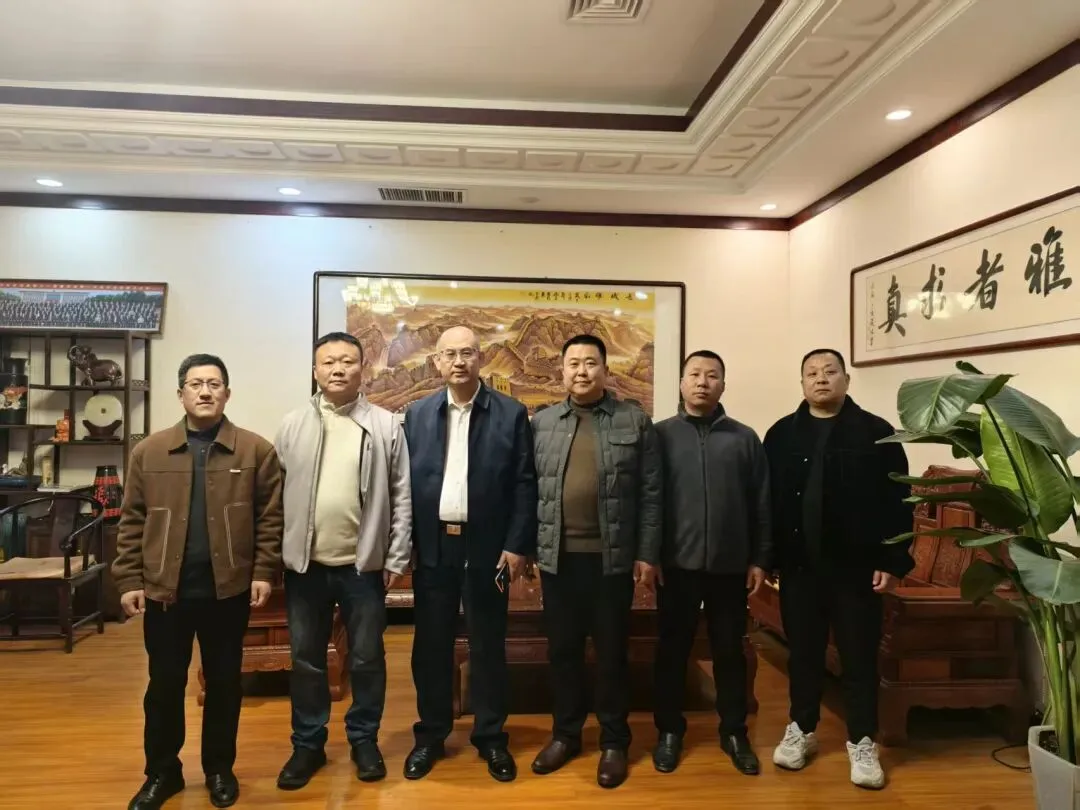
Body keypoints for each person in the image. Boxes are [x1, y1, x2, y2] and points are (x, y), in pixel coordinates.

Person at [113, 353, 283, 810]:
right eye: (195, 384)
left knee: (225, 684)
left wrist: (263, 571)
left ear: (227, 393)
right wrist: (129, 579)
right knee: (164, 686)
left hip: (227, 591)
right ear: (181, 394)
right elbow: (132, 521)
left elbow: (270, 519)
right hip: (165, 592)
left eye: (214, 383)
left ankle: (219, 769)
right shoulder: (149, 452)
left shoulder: (255, 451)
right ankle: (162, 773)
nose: (205, 391)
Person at [763, 348, 914, 790]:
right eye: (811, 372)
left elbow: (899, 502)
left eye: (830, 371)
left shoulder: (877, 433)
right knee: (803, 655)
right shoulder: (782, 434)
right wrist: (768, 557)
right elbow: (767, 502)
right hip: (799, 569)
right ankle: (801, 729)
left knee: (859, 658)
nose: (821, 379)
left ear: (846, 379)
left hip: (857, 571)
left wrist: (892, 561)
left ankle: (863, 741)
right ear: (802, 382)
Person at [273, 331, 412, 790]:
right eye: (328, 361)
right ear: (315, 370)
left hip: (362, 567)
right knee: (307, 660)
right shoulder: (292, 425)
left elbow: (402, 495)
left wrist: (396, 556)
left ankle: (364, 739)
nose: (338, 369)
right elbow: (274, 497)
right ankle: (308, 744)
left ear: (362, 368)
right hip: (305, 567)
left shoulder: (385, 425)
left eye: (347, 361)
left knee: (367, 658)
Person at [402, 326, 537, 783]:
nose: (458, 362)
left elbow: (524, 482)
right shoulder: (418, 414)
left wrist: (517, 544)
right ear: (437, 362)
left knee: (488, 644)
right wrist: (406, 545)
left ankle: (491, 737)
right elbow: (405, 486)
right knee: (430, 646)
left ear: (481, 358)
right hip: (434, 547)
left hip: (489, 550)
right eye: (450, 354)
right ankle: (431, 735)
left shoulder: (510, 413)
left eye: (467, 353)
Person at [529, 334, 662, 789]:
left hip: (612, 561)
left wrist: (647, 553)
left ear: (605, 370)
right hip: (558, 560)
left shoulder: (634, 420)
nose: (581, 371)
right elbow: (530, 489)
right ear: (561, 371)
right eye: (573, 363)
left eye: (590, 363)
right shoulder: (543, 422)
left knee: (611, 654)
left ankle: (614, 741)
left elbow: (651, 493)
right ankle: (565, 735)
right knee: (563, 653)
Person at [652, 350, 771, 775]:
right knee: (672, 651)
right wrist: (649, 555)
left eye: (712, 375)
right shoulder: (660, 436)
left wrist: (760, 558)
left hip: (730, 566)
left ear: (723, 384)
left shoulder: (744, 438)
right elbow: (649, 501)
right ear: (682, 383)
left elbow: (762, 503)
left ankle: (734, 731)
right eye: (695, 374)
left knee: (729, 652)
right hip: (675, 566)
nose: (703, 382)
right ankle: (669, 732)